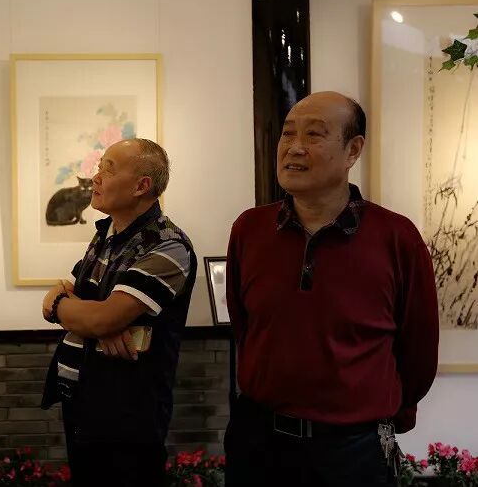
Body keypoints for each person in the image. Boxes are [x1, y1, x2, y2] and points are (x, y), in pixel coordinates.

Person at [224, 91, 439, 486]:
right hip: (259, 441)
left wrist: (386, 411)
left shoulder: (396, 237)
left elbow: (419, 350)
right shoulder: (249, 229)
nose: (294, 147)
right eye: (287, 133)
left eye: (314, 134)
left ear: (352, 150)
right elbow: (245, 326)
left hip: (353, 450)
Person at [40, 138, 197, 487]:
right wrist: (90, 316)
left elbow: (94, 315)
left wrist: (63, 306)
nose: (96, 178)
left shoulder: (167, 245)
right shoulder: (107, 235)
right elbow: (72, 296)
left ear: (141, 186)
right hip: (83, 401)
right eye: (99, 168)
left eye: (107, 170)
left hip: (126, 414)